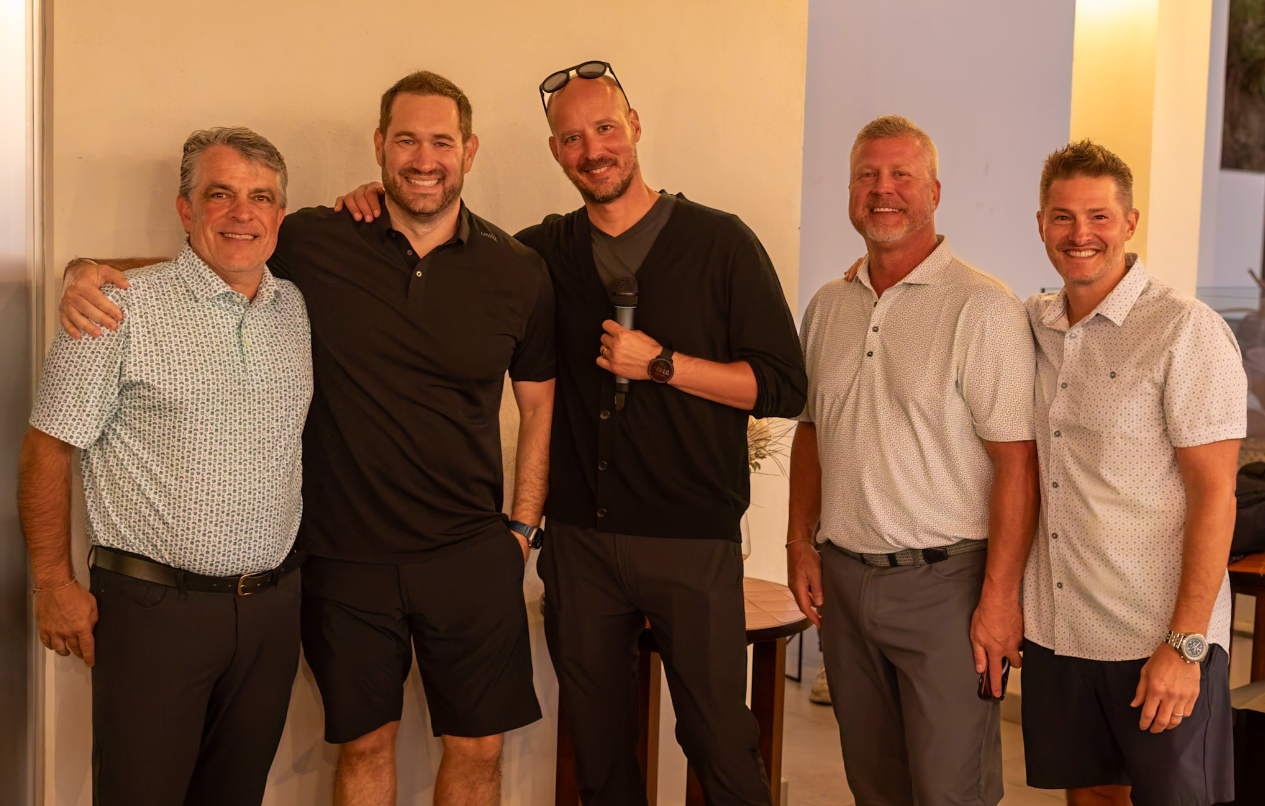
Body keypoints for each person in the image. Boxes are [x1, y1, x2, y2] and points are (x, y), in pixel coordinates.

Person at [57, 72, 555, 806]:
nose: (424, 159)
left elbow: (539, 407)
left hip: (470, 553)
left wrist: (520, 526)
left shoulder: (518, 270)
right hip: (343, 557)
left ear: (469, 151)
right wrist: (89, 274)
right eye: (407, 140)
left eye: (441, 141)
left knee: (479, 755)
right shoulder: (318, 240)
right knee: (365, 748)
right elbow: (216, 259)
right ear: (380, 146)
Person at [341, 61, 808, 805]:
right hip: (580, 546)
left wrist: (662, 364)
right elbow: (443, 238)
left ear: (634, 129)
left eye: (604, 129)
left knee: (719, 738)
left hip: (692, 542)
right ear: (555, 153)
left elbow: (783, 386)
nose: (592, 149)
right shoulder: (537, 254)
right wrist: (376, 205)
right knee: (596, 747)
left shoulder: (720, 243)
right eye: (571, 138)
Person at [20, 127, 310, 806]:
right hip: (154, 614)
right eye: (220, 195)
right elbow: (47, 449)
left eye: (260, 197)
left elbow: (234, 263)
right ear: (185, 209)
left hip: (271, 612)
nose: (242, 214)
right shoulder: (115, 309)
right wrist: (51, 582)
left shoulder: (294, 308)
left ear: (280, 217)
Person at [786, 115, 1039, 806]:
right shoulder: (828, 306)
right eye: (866, 175)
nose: (882, 190)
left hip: (946, 590)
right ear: (848, 192)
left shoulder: (981, 307)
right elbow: (812, 430)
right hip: (844, 583)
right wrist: (798, 542)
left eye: (900, 175)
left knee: (948, 791)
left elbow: (1016, 462)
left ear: (934, 190)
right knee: (874, 786)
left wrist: (998, 599)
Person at [1020, 140, 1244, 806]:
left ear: (1129, 223)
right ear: (1039, 225)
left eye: (1096, 216)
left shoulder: (1184, 330)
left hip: (1156, 633)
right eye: (1061, 217)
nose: (1078, 234)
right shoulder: (1030, 323)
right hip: (1059, 629)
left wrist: (1185, 644)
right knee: (1088, 800)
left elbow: (1215, 495)